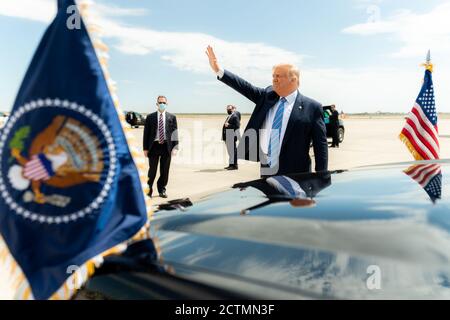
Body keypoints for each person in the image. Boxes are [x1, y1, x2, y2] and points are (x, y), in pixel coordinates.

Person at [206, 46, 328, 177]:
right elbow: (244, 86)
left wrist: (321, 178)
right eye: (273, 76)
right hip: (267, 167)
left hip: (297, 173)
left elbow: (320, 146)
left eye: (278, 76)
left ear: (293, 80)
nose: (274, 79)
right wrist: (219, 70)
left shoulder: (312, 107)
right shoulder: (267, 96)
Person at [143, 96, 178, 198]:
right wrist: (145, 148)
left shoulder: (172, 117)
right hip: (153, 146)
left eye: (163, 102)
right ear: (157, 104)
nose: (162, 104)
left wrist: (175, 147)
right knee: (152, 170)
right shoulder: (150, 117)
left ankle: (162, 189)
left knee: (165, 170)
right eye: (160, 102)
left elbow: (175, 133)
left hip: (167, 147)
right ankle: (148, 191)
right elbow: (146, 133)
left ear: (166, 104)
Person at [222, 104, 241, 170]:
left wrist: (229, 125)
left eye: (229, 109)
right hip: (228, 136)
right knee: (230, 152)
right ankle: (231, 165)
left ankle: (235, 166)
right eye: (227, 109)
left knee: (233, 151)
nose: (228, 110)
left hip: (232, 136)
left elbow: (237, 126)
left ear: (233, 109)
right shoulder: (229, 116)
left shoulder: (235, 116)